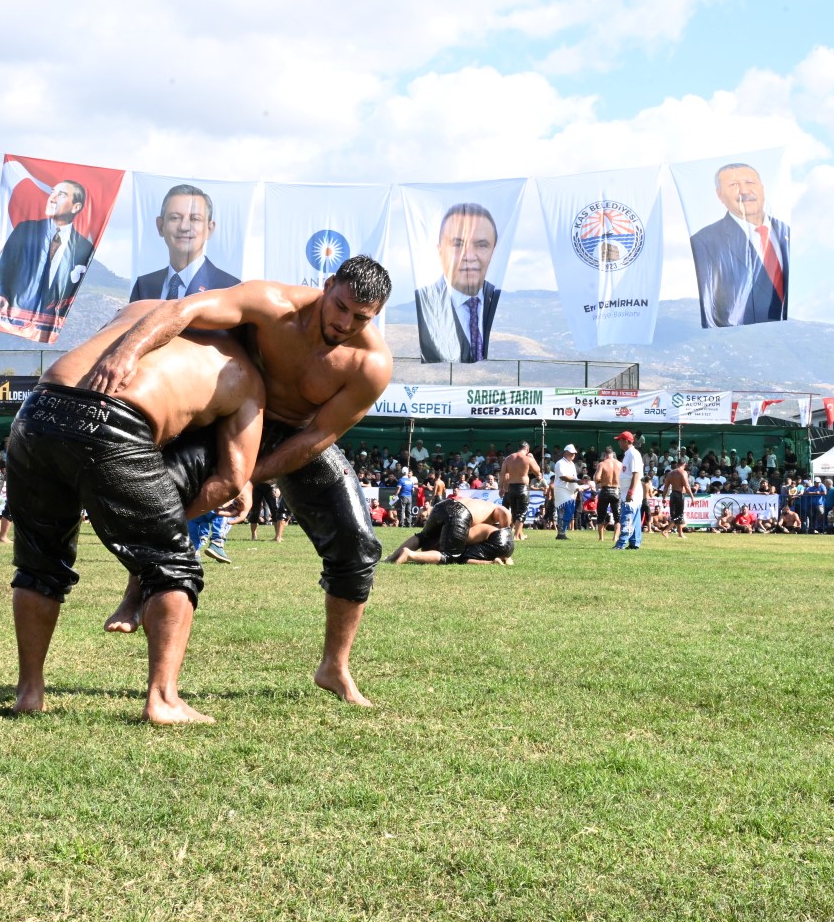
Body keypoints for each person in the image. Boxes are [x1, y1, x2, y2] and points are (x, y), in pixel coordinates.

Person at [83, 255, 393, 706]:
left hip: (294, 437)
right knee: (165, 497)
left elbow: (316, 438)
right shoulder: (272, 303)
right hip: (232, 414)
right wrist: (125, 352)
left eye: (360, 317)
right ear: (328, 285)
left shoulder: (371, 364)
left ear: (375, 314)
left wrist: (248, 473)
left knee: (358, 545)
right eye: (340, 306)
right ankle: (137, 587)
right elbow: (182, 310)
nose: (345, 322)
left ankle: (335, 667)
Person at [7, 300, 266, 724]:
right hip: (113, 421)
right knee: (172, 565)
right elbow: (234, 478)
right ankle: (163, 700)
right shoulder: (247, 375)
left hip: (37, 410)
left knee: (39, 562)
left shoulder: (146, 308)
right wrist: (171, 517)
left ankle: (29, 692)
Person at [689, 162, 790, 328]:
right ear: (719, 195)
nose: (744, 191)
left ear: (762, 188)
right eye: (733, 185)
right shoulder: (703, 242)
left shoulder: (788, 233)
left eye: (750, 183)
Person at [0, 179, 95, 323]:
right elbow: (0, 266)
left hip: (48, 322)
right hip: (14, 313)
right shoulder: (25, 230)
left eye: (61, 195)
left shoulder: (84, 247)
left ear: (76, 207)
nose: (52, 199)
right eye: (52, 193)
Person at [416, 202, 500, 364]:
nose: (468, 256)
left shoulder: (501, 302)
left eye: (481, 245)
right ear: (440, 251)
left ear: (493, 252)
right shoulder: (422, 303)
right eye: (458, 245)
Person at [130, 183, 240, 301]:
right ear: (160, 226)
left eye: (195, 219)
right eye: (175, 218)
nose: (184, 227)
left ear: (209, 229)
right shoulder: (143, 287)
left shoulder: (231, 290)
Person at [385, 495, 513, 565]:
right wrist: (504, 530)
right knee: (449, 556)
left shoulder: (481, 504)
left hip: (443, 505)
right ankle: (410, 554)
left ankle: (391, 557)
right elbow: (503, 515)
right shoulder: (497, 509)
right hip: (461, 514)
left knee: (423, 536)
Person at [498, 440, 542, 541]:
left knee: (514, 511)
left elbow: (502, 473)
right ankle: (516, 535)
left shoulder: (508, 458)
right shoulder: (527, 458)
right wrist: (533, 458)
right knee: (522, 512)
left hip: (511, 487)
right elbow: (538, 471)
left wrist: (501, 487)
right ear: (527, 449)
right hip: (522, 487)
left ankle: (520, 534)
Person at [612, 430, 645, 550]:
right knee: (634, 518)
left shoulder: (633, 454)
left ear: (626, 441)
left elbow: (636, 474)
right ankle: (634, 543)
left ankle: (621, 543)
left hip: (632, 492)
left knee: (627, 517)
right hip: (629, 491)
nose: (619, 443)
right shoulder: (628, 454)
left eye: (620, 440)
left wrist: (631, 491)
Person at [552, 443, 585, 540]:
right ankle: (561, 533)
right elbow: (563, 477)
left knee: (570, 511)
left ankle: (563, 531)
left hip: (570, 491)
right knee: (563, 510)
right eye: (571, 453)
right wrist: (576, 481)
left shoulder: (571, 464)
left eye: (574, 453)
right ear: (566, 452)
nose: (573, 455)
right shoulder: (560, 463)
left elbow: (573, 477)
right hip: (561, 489)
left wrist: (577, 487)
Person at [594, 448, 622, 541]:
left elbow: (597, 478)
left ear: (605, 455)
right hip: (616, 490)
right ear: (613, 454)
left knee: (601, 515)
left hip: (605, 490)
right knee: (617, 516)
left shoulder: (602, 464)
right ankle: (615, 537)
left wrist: (603, 480)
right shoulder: (620, 464)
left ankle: (601, 538)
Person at [663, 457, 694, 538]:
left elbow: (666, 487)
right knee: (679, 515)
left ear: (677, 464)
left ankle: (680, 533)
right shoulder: (683, 473)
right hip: (679, 495)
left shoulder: (670, 473)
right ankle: (666, 530)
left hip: (672, 495)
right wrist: (692, 497)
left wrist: (664, 498)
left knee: (675, 515)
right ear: (685, 464)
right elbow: (686, 486)